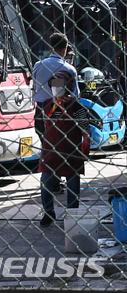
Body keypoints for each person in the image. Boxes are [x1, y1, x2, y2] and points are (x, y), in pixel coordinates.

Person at [38, 70, 90, 227]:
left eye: (59, 85)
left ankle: (72, 214)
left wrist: (85, 145)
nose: (56, 88)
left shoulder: (76, 106)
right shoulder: (46, 104)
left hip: (70, 152)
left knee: (72, 184)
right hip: (50, 151)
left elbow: (85, 129)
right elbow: (43, 126)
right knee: (45, 180)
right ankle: (49, 212)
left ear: (67, 87)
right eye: (54, 85)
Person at [33, 33, 79, 139]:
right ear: (65, 49)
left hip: (41, 111)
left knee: (45, 143)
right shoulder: (69, 69)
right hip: (62, 111)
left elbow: (36, 88)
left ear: (50, 48)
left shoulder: (38, 66)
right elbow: (75, 96)